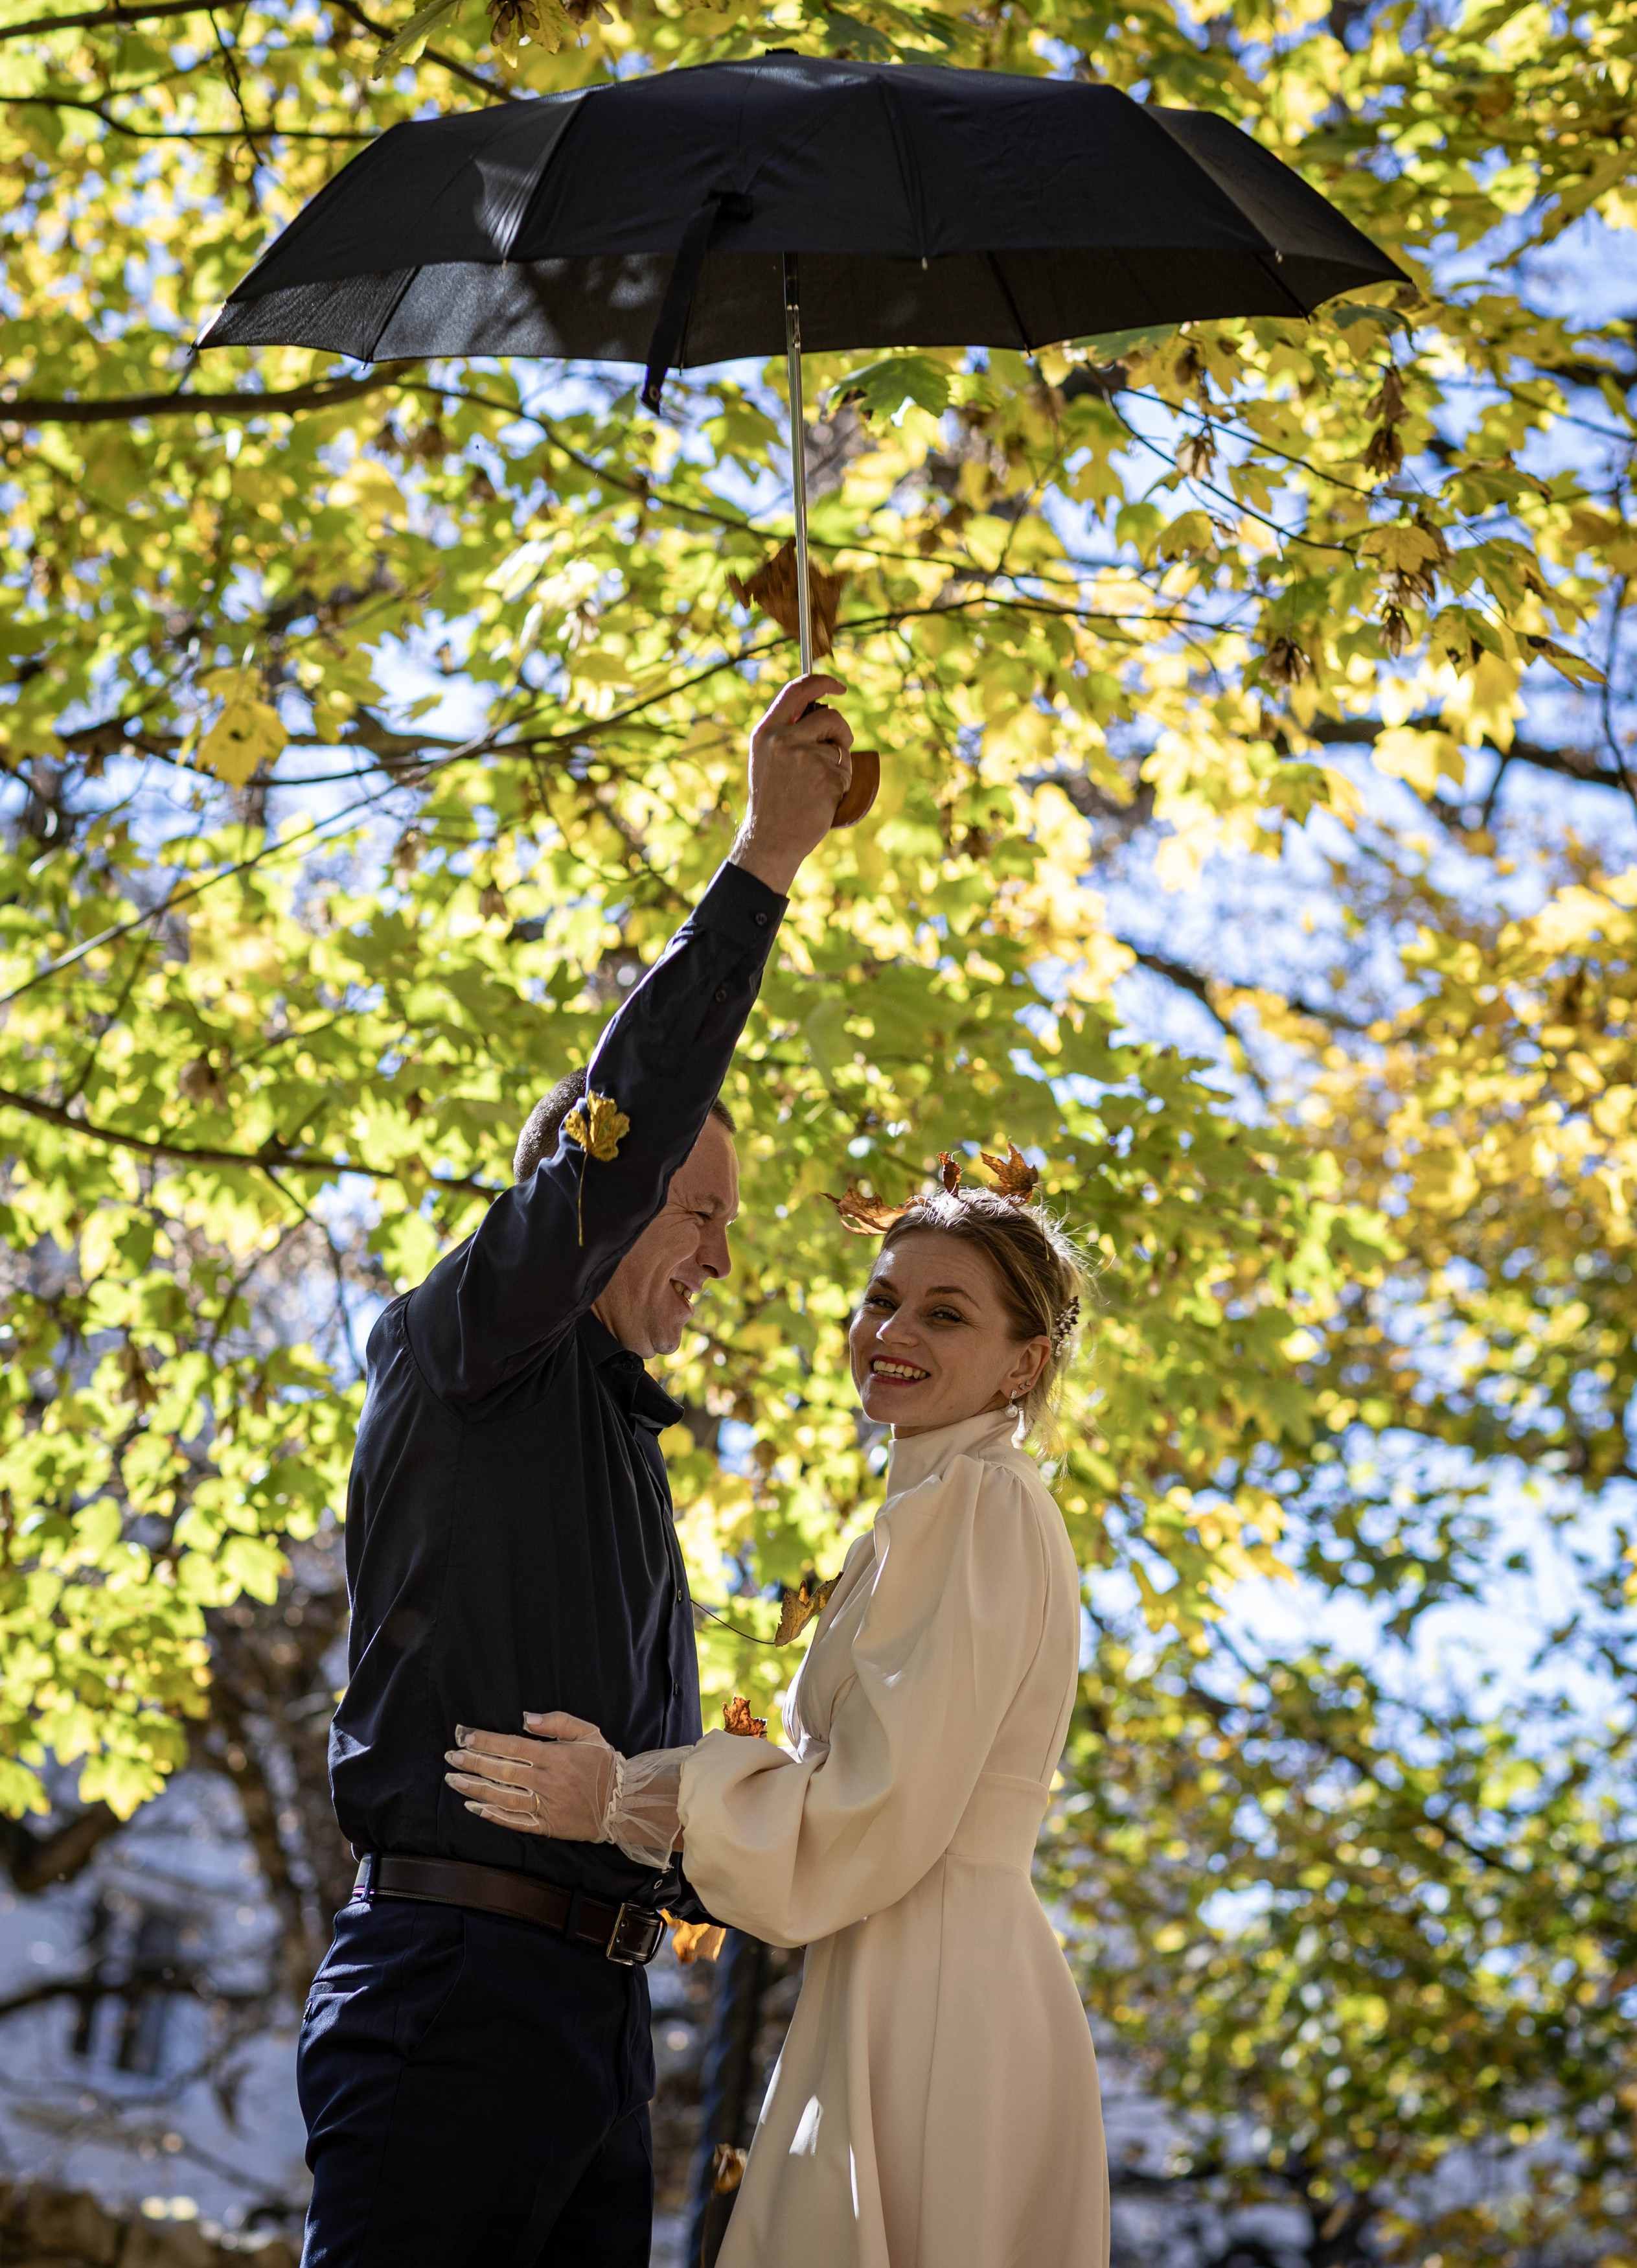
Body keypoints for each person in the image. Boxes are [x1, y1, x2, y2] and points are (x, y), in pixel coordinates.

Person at [295, 673, 854, 2268]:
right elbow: (631, 1121)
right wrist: (764, 859)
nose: (723, 1263)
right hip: (448, 1997)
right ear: (606, 1211)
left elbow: (660, 1792)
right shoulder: (471, 1341)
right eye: (702, 1216)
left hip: (603, 2045)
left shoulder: (621, 1444)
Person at [450, 1179, 1113, 2267]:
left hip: (937, 1992)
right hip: (912, 1970)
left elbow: (877, 1808)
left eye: (946, 1314)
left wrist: (622, 1800)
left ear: (1025, 1362)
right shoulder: (934, 1510)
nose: (891, 1333)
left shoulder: (982, 1505)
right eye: (881, 1299)